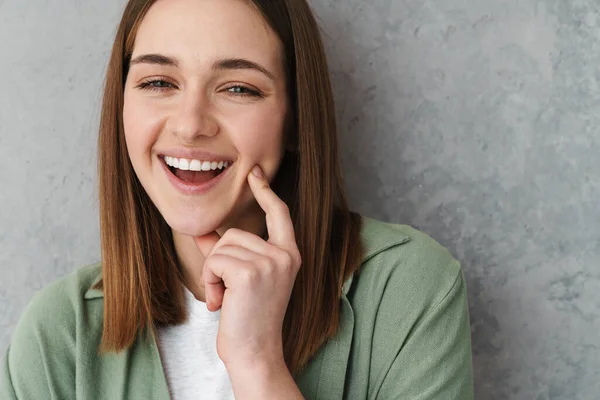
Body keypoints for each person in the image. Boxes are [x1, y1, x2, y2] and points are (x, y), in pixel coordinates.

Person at [0, 0, 474, 398]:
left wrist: (257, 363)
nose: (190, 125)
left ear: (295, 120)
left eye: (238, 88)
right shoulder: (59, 332)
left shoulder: (408, 291)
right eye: (158, 82)